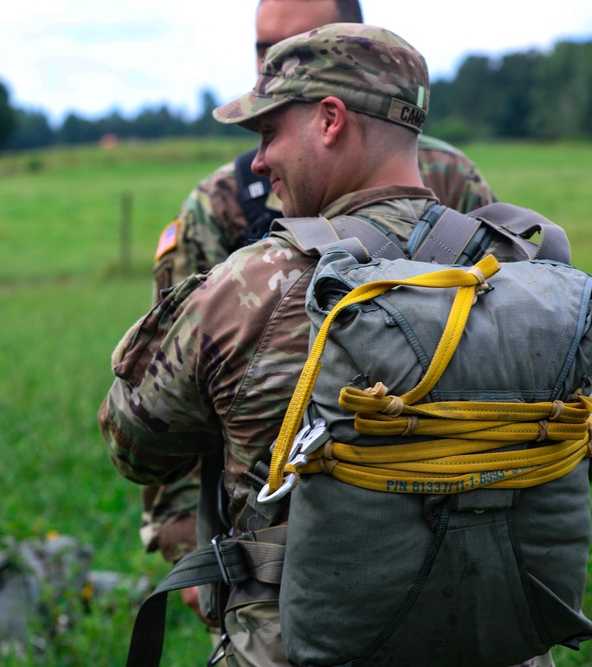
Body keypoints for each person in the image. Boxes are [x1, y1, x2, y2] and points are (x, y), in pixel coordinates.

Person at [101, 23, 563, 666]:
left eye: (268, 133)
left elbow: (134, 446)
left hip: (303, 644)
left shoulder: (254, 283)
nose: (259, 161)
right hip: (493, 639)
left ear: (329, 119)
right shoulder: (526, 270)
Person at [143, 0, 498, 592]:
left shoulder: (452, 179)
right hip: (280, 547)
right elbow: (168, 412)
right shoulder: (223, 201)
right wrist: (197, 552)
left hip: (440, 520)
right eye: (262, 49)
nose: (271, 65)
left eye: (302, 41)